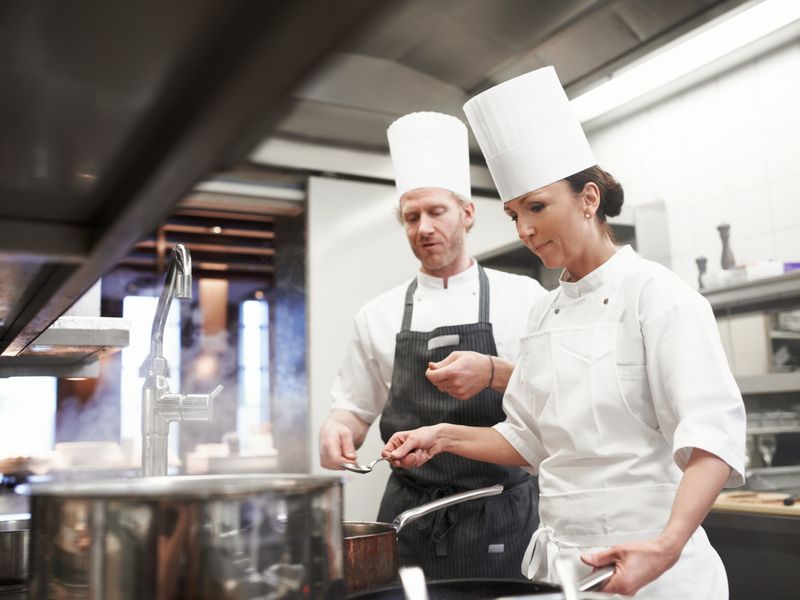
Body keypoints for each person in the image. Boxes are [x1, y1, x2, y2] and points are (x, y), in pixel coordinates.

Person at [382, 67, 746, 599]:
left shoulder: (657, 295)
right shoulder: (544, 312)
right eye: (513, 215)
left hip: (654, 571)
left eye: (537, 206)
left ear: (588, 199)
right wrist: (440, 438)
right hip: (563, 571)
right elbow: (528, 439)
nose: (525, 229)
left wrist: (666, 545)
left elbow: (711, 438)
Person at [319, 111, 547, 580]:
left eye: (436, 212)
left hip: (500, 511)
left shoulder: (523, 299)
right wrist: (338, 428)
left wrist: (491, 370)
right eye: (411, 217)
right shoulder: (377, 315)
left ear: (467, 213)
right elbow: (355, 408)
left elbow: (554, 399)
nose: (423, 227)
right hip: (410, 519)